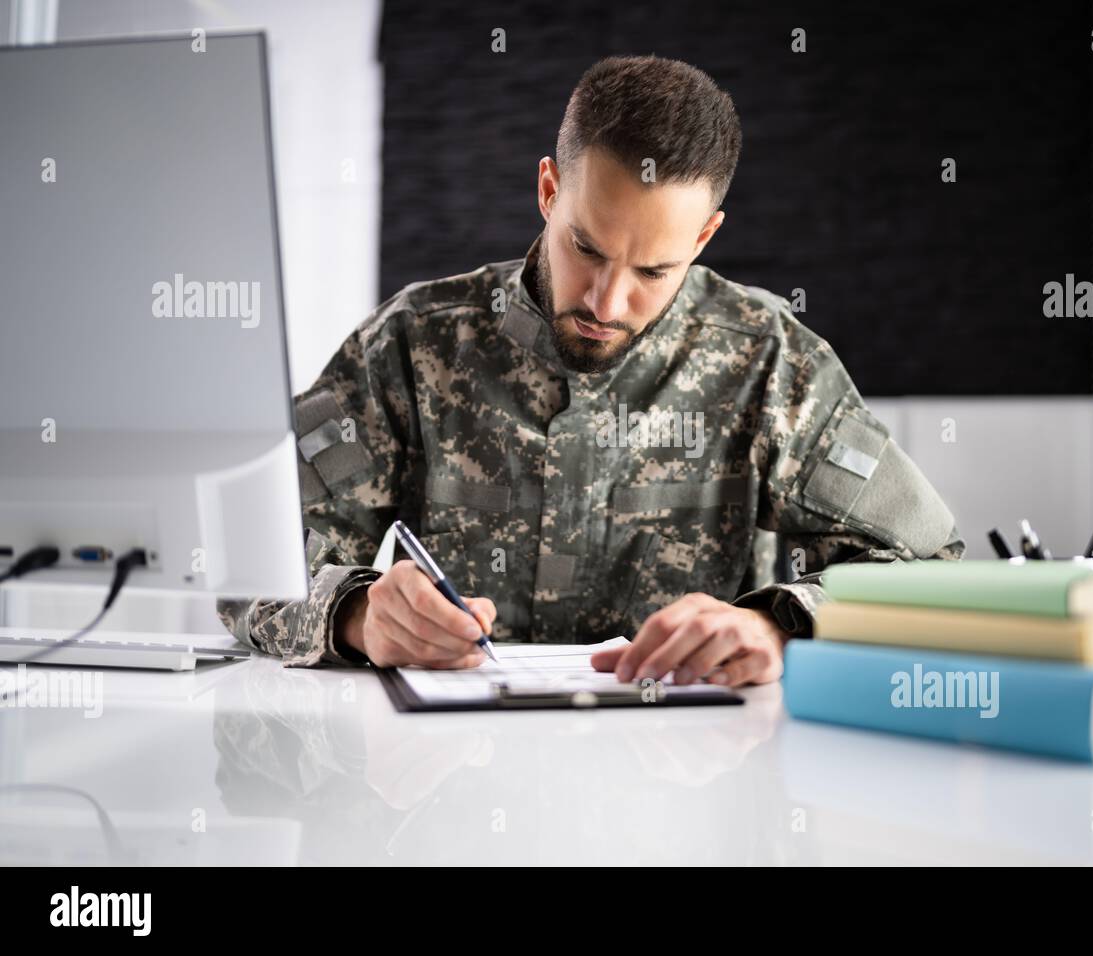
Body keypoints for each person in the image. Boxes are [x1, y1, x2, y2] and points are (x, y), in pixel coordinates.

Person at [217, 54, 962, 687]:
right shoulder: (413, 346)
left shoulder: (770, 362)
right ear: (548, 190)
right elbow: (245, 558)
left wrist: (776, 627)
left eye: (654, 269)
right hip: (458, 786)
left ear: (704, 237)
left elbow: (932, 572)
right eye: (588, 249)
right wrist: (356, 616)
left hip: (702, 792)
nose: (607, 301)